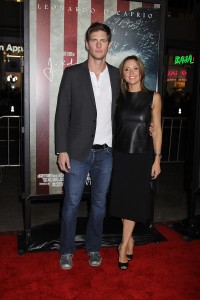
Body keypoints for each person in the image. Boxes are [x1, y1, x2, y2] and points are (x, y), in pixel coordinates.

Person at [55, 22, 120, 270]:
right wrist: (62, 148)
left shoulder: (116, 75)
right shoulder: (72, 74)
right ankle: (66, 250)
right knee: (71, 204)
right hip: (77, 152)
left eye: (103, 40)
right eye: (94, 40)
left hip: (107, 153)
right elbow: (62, 114)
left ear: (109, 44)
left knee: (100, 204)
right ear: (86, 44)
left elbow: (123, 111)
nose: (99, 44)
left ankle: (94, 247)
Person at [110, 55, 162, 270]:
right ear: (122, 74)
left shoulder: (153, 97)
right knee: (122, 201)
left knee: (132, 201)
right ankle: (129, 239)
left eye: (135, 69)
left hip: (142, 155)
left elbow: (157, 129)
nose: (131, 73)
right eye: (127, 69)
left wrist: (157, 158)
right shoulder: (118, 97)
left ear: (141, 71)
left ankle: (123, 246)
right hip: (120, 155)